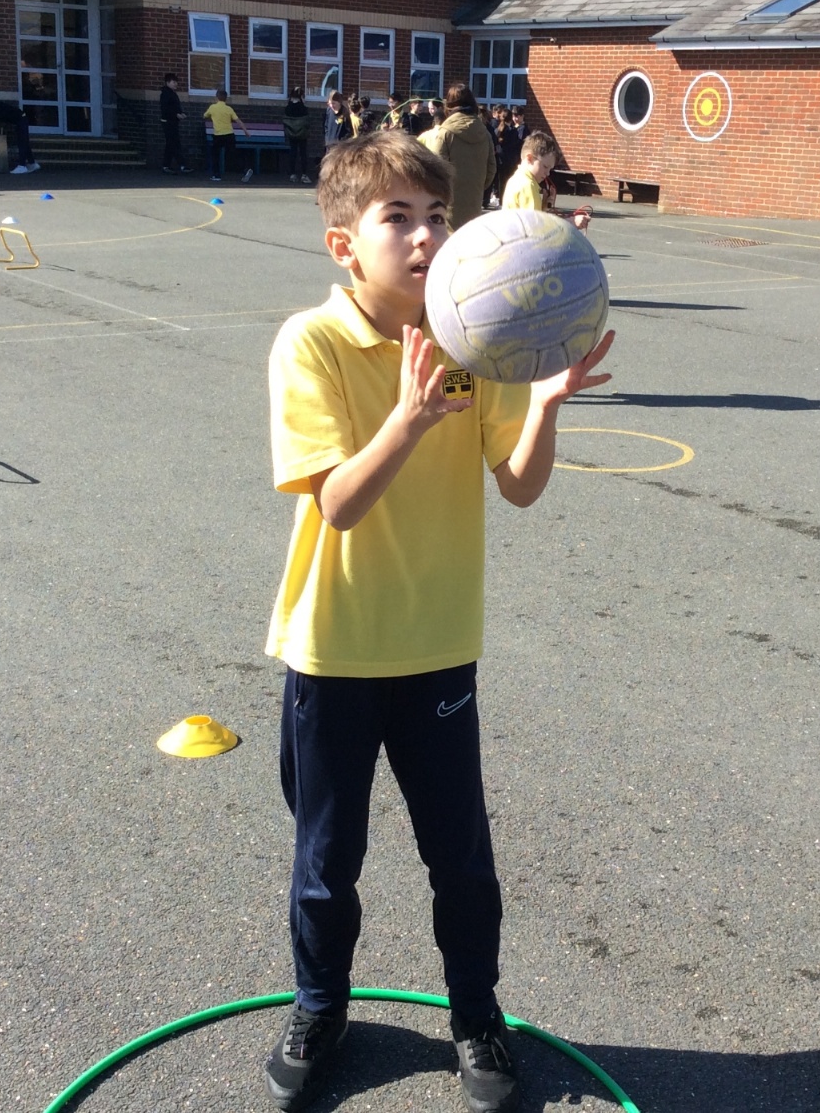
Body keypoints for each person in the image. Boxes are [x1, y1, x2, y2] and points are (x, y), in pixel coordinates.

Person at [261, 129, 614, 1113]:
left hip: (438, 649)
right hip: (336, 650)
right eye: (399, 218)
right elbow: (338, 504)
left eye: (438, 216)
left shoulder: (473, 342)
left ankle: (476, 1013)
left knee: (460, 858)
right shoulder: (314, 343)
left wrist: (545, 403)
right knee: (327, 862)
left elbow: (521, 486)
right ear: (345, 245)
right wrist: (410, 416)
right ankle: (319, 1006)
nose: (426, 236)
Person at [417, 83, 496, 229]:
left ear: (448, 105)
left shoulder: (445, 133)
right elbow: (492, 168)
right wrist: (476, 186)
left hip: (448, 208)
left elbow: (437, 172)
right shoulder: (485, 134)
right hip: (474, 203)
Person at [501, 130, 591, 230]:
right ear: (529, 158)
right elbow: (536, 228)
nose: (547, 173)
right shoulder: (528, 185)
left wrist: (543, 207)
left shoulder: (517, 179)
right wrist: (571, 222)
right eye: (545, 167)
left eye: (550, 169)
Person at [204, 88, 251, 182]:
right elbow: (238, 121)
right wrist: (246, 131)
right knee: (233, 154)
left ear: (216, 97)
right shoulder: (229, 109)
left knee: (215, 155)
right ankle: (245, 170)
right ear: (226, 99)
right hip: (229, 134)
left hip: (218, 135)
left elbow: (205, 115)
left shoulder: (212, 107)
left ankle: (216, 175)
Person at [159, 72, 189, 173]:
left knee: (170, 144)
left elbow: (175, 107)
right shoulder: (166, 94)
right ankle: (182, 165)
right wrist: (176, 114)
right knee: (174, 143)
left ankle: (166, 165)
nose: (176, 84)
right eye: (173, 82)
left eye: (176, 82)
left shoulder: (172, 93)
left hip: (173, 121)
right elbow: (165, 109)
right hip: (168, 122)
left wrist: (181, 113)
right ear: (167, 82)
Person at [282, 85, 312, 184]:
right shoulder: (303, 108)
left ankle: (292, 174)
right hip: (302, 134)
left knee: (293, 153)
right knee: (303, 153)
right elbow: (307, 121)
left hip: (291, 133)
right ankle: (304, 174)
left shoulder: (288, 108)